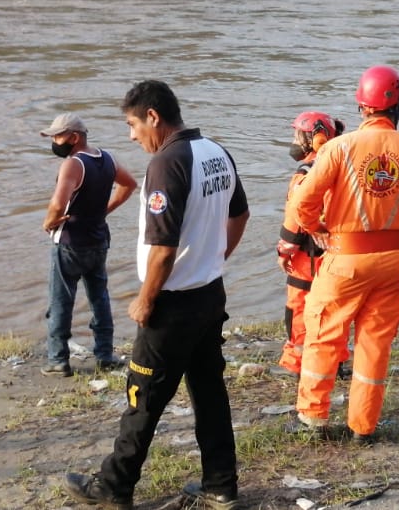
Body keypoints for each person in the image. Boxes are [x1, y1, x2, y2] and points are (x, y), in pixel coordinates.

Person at [64, 80, 249, 510]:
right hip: (209, 294)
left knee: (141, 397)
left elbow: (163, 249)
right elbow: (240, 214)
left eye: (132, 124)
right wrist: (214, 258)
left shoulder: (167, 163)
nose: (131, 136)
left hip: (173, 304)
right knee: (209, 393)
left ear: (153, 116)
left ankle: (113, 486)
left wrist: (146, 299)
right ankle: (221, 485)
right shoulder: (216, 151)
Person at [286, 65, 399, 445]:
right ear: (397, 105)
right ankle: (363, 427)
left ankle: (313, 419)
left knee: (324, 335)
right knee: (375, 342)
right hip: (395, 259)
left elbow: (303, 203)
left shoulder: (337, 148)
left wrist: (315, 227)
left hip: (345, 260)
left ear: (362, 107)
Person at [39, 112, 138, 377]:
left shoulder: (73, 164)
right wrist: (105, 210)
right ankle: (105, 354)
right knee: (99, 298)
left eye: (58, 136)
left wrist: (48, 222)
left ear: (74, 137)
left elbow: (59, 204)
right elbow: (129, 184)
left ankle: (58, 360)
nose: (55, 142)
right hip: (98, 240)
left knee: (61, 301)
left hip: (70, 243)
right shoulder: (106, 158)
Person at [276, 111, 345, 375]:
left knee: (299, 307)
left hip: (309, 255)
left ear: (315, 138)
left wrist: (284, 249)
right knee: (334, 307)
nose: (294, 140)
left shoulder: (307, 173)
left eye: (298, 135)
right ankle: (336, 360)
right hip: (338, 251)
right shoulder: (341, 163)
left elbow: (296, 216)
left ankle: (296, 363)